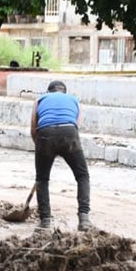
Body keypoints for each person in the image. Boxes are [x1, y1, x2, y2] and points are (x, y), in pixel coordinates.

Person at [30, 80, 91, 230]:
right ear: (64, 91)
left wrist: (42, 149)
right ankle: (84, 219)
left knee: (42, 179)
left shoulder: (39, 100)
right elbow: (76, 126)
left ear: (48, 91)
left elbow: (33, 128)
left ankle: (45, 220)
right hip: (69, 133)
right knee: (82, 176)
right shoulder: (74, 100)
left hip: (45, 134)